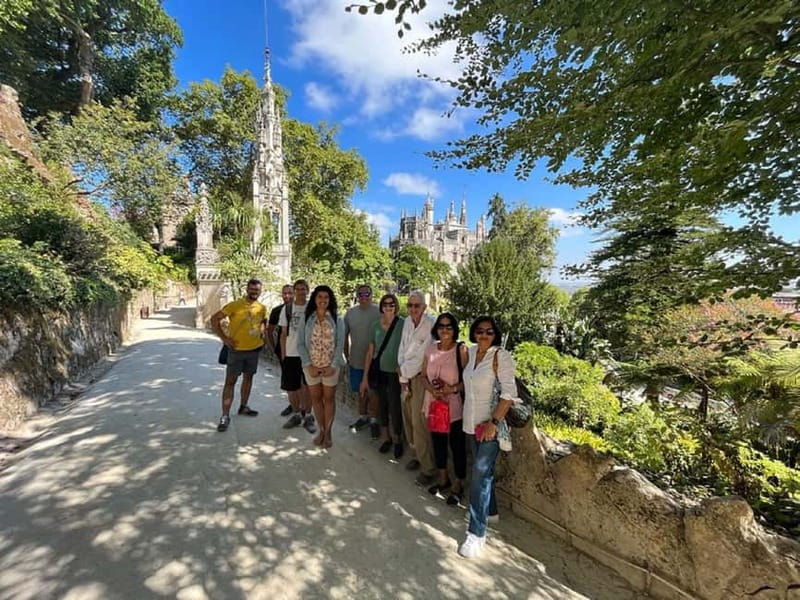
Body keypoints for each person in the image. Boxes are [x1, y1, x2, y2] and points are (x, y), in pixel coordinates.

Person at [458, 316, 519, 559]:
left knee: (479, 476)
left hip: (489, 426)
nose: (484, 335)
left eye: (489, 332)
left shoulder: (500, 356)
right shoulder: (471, 353)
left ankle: (476, 534)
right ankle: (490, 511)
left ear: (496, 335)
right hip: (470, 423)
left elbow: (509, 394)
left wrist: (493, 422)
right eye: (480, 331)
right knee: (482, 472)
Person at [421, 313, 469, 504]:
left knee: (457, 446)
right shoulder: (431, 349)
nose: (445, 330)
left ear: (454, 329)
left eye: (449, 326)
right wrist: (432, 389)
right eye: (441, 326)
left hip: (454, 407)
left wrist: (453, 388)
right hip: (434, 405)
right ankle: (443, 478)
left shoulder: (461, 350)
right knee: (438, 443)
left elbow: (469, 379)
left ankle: (458, 485)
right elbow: (423, 375)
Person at [210, 278, 268, 432]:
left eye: (257, 290)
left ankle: (243, 406)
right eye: (252, 289)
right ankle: (225, 415)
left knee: (248, 379)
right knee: (230, 382)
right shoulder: (235, 305)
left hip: (253, 350)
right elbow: (214, 319)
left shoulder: (262, 307)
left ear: (260, 291)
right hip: (236, 351)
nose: (254, 292)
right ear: (247, 289)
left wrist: (262, 334)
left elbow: (263, 321)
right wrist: (224, 338)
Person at [297, 285, 345, 448]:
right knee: (316, 399)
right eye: (320, 297)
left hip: (330, 367)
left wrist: (333, 365)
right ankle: (322, 430)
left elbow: (340, 344)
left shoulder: (338, 319)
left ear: (330, 300)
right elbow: (301, 343)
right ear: (315, 299)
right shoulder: (306, 318)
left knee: (329, 399)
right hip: (311, 367)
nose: (323, 300)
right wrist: (308, 365)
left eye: (326, 297)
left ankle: (328, 433)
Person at [398, 290, 437, 485]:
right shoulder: (406, 322)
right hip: (404, 376)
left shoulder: (430, 324)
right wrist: (401, 374)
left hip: (419, 378)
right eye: (410, 305)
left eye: (417, 306)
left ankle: (428, 468)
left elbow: (422, 356)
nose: (413, 309)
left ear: (424, 307)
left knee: (419, 422)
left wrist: (403, 374)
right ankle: (415, 456)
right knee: (407, 419)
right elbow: (403, 349)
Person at [360, 293, 404, 458]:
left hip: (395, 372)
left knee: (395, 407)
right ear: (381, 307)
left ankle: (397, 439)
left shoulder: (402, 324)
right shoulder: (375, 326)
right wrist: (365, 377)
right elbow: (370, 352)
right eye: (385, 304)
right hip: (379, 371)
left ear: (396, 306)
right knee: (382, 406)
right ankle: (387, 438)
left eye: (391, 304)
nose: (388, 307)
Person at [279, 279, 316, 434]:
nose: (301, 291)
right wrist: (283, 355)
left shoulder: (312, 309)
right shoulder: (287, 309)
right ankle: (296, 414)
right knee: (291, 388)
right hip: (291, 353)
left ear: (308, 290)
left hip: (308, 355)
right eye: (298, 289)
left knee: (308, 388)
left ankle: (308, 415)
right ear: (294, 291)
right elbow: (283, 334)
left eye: (303, 289)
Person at [344, 284, 381, 439]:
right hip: (356, 360)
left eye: (367, 294)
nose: (364, 297)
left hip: (374, 361)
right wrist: (346, 355)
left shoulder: (379, 311)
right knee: (360, 391)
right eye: (361, 294)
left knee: (373, 392)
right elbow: (344, 336)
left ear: (372, 295)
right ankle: (362, 417)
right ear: (357, 296)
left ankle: (374, 420)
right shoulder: (350, 313)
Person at [267, 284, 295, 416]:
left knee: (303, 381)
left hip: (299, 351)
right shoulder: (277, 310)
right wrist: (274, 348)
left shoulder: (301, 309)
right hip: (284, 351)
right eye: (284, 293)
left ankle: (304, 409)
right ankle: (293, 405)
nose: (287, 296)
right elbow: (270, 330)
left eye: (290, 293)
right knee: (288, 380)